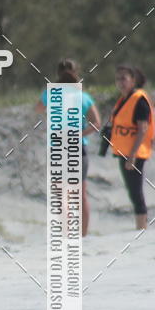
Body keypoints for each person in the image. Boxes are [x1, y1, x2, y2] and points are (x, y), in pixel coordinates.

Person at [36, 59, 101, 236]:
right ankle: (83, 235)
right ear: (76, 73)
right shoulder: (83, 97)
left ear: (58, 74)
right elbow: (96, 123)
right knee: (80, 196)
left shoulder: (51, 94)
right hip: (78, 148)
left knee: (61, 195)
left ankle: (67, 233)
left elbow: (38, 109)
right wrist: (78, 134)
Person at [108, 64, 153, 230]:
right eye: (118, 79)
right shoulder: (123, 100)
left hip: (135, 152)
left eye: (124, 79)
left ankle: (141, 228)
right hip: (123, 151)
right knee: (131, 189)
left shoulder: (139, 100)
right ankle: (141, 226)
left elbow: (143, 129)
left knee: (135, 190)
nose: (120, 82)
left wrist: (133, 155)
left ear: (133, 80)